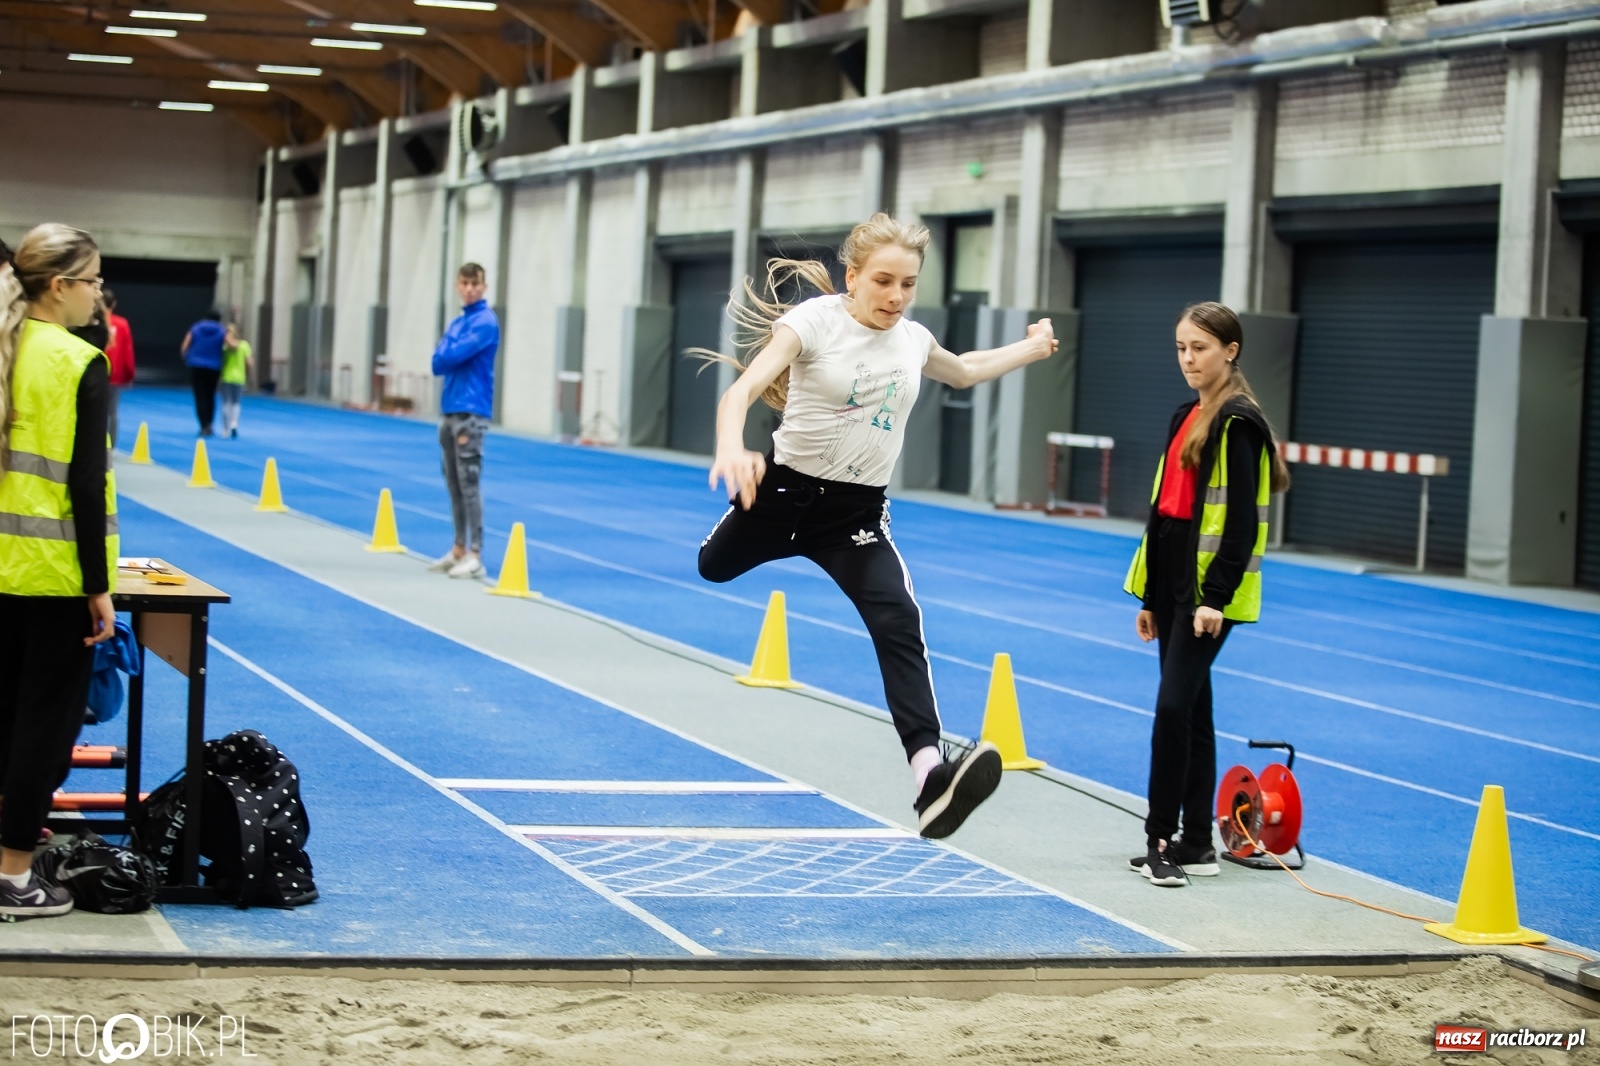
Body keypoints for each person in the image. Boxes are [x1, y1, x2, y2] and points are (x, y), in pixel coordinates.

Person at [696, 213, 1058, 840]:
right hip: (782, 494)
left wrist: (1032, 346)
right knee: (713, 566)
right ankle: (929, 774)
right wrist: (732, 446)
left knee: (899, 620)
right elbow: (741, 392)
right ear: (853, 277)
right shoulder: (813, 322)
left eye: (908, 285)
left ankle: (929, 777)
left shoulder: (913, 339)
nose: (896, 297)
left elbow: (964, 369)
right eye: (884, 282)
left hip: (853, 515)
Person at [1123, 302, 1291, 888]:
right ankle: (1197, 840)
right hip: (1171, 579)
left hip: (1205, 590)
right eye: (1181, 348)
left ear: (1230, 351)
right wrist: (1150, 596)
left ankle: (1159, 839)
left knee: (1173, 709)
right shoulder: (1185, 414)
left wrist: (1213, 597)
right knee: (1192, 710)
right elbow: (1163, 512)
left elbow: (1240, 524)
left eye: (1200, 348)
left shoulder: (1238, 423)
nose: (1188, 359)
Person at [0, 222, 120, 919]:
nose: (98, 295)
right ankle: (14, 876)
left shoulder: (6, 346)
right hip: (50, 575)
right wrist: (98, 587)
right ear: (58, 286)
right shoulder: (78, 361)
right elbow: (85, 484)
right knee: (43, 730)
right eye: (93, 281)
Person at [427, 262, 499, 579]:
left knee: (469, 484)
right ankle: (458, 547)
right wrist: (449, 351)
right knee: (453, 483)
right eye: (465, 283)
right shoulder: (458, 323)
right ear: (458, 285)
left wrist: (450, 350)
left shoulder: (485, 322)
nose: (469, 289)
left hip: (471, 410)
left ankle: (476, 553)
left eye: (475, 284)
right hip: (450, 407)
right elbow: (437, 362)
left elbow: (451, 355)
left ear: (484, 287)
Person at [180, 310, 226, 436]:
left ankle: (203, 424)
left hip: (197, 365)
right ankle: (210, 423)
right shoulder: (221, 330)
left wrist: (186, 357)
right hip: (214, 366)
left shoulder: (196, 328)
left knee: (199, 395)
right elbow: (229, 345)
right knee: (210, 395)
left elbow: (185, 344)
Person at [102, 288, 136, 449]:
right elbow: (127, 351)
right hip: (114, 375)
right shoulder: (122, 324)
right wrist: (129, 375)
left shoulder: (92, 322)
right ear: (114, 304)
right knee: (112, 412)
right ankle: (110, 446)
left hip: (95, 372)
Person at [220, 322, 253, 439]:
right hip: (239, 377)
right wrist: (248, 373)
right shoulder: (244, 345)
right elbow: (249, 362)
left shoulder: (224, 348)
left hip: (227, 376)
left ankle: (225, 428)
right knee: (236, 402)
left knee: (226, 403)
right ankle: (234, 423)